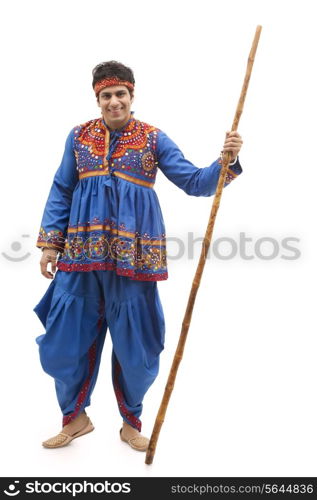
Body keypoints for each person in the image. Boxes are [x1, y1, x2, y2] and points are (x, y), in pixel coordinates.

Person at [33, 60, 243, 451]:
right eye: (106, 95)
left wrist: (224, 162)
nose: (114, 101)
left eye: (120, 94)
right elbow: (62, 190)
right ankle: (74, 419)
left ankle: (131, 421)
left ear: (132, 95)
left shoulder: (153, 139)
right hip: (80, 257)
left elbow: (195, 182)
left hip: (135, 260)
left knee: (137, 347)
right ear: (97, 98)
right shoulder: (78, 137)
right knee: (65, 341)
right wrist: (50, 242)